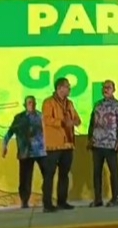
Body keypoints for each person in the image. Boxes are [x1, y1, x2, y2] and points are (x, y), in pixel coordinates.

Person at [42, 77, 80, 212]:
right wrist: (62, 122)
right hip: (53, 144)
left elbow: (77, 118)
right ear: (59, 88)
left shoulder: (69, 103)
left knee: (64, 174)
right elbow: (46, 119)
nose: (69, 89)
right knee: (49, 175)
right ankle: (47, 204)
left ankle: (62, 201)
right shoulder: (49, 102)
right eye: (67, 86)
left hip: (68, 144)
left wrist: (74, 122)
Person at [2, 96, 47, 209]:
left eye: (33, 102)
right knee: (25, 179)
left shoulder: (41, 116)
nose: (31, 104)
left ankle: (47, 199)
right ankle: (24, 200)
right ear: (25, 105)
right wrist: (5, 144)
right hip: (25, 152)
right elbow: (10, 132)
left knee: (47, 175)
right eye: (29, 102)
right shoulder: (19, 118)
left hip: (41, 151)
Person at [87, 80, 118, 207]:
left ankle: (115, 198)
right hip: (97, 143)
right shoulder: (97, 105)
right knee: (96, 173)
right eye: (104, 87)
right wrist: (90, 138)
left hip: (111, 144)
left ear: (114, 90)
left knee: (113, 172)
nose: (105, 89)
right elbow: (92, 123)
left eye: (108, 87)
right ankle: (98, 199)